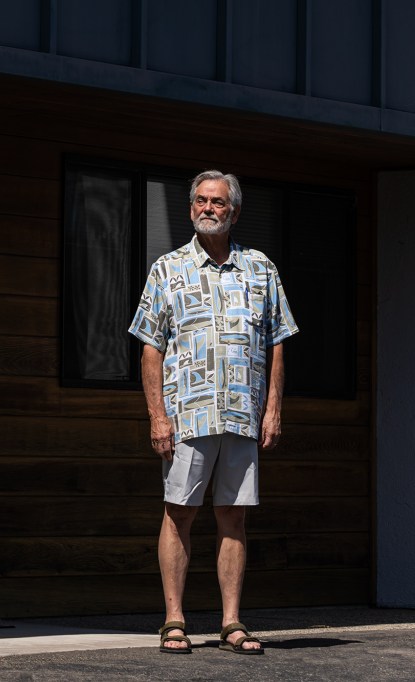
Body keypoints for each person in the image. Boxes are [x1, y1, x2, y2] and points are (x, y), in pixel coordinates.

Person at [127, 170, 299, 655]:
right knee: (178, 512)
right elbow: (149, 349)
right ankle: (175, 620)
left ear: (234, 211)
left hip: (243, 414)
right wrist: (157, 417)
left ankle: (231, 622)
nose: (208, 208)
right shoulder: (168, 268)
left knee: (233, 516)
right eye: (201, 201)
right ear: (190, 209)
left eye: (218, 202)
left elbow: (277, 343)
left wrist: (273, 411)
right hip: (188, 416)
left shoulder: (260, 268)